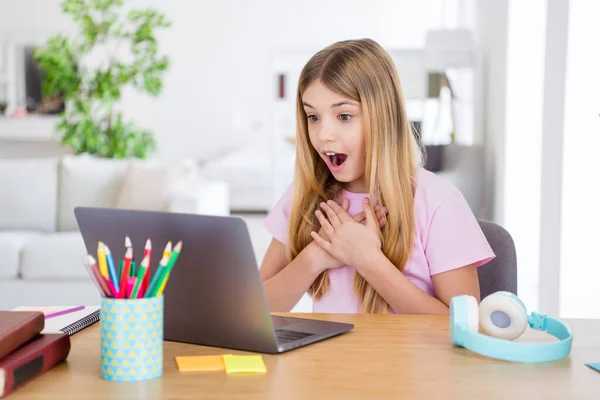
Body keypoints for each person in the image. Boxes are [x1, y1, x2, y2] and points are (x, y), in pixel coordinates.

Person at [260, 38, 495, 314]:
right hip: (331, 359)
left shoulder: (439, 203)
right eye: (313, 117)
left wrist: (368, 261)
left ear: (383, 117)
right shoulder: (303, 195)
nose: (324, 135)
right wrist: (316, 256)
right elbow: (254, 312)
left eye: (344, 117)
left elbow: (464, 330)